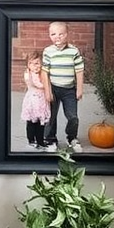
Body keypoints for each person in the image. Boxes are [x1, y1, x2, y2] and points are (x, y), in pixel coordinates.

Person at [42, 22, 85, 153]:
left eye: (61, 34)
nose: (57, 37)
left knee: (73, 117)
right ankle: (50, 140)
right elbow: (45, 72)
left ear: (67, 35)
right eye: (53, 34)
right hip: (54, 88)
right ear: (49, 35)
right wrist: (47, 91)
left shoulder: (74, 51)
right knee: (51, 116)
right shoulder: (48, 51)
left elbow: (79, 70)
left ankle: (71, 138)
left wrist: (79, 88)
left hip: (69, 90)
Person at [20, 51, 50, 151]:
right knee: (31, 122)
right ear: (28, 65)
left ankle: (40, 140)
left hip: (41, 101)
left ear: (41, 63)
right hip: (32, 101)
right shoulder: (28, 75)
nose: (34, 66)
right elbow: (37, 84)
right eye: (31, 63)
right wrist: (46, 82)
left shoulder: (42, 74)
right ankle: (31, 140)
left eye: (37, 63)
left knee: (40, 123)